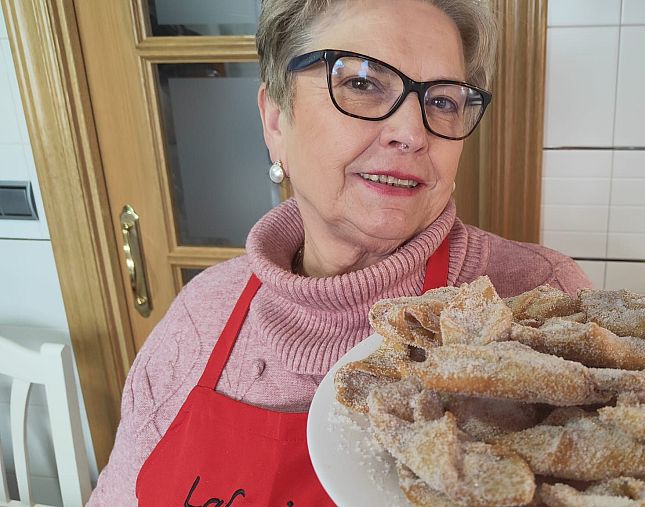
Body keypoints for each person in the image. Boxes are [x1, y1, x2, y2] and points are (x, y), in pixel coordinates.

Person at [87, 0, 590, 504]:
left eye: (442, 101)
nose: (412, 134)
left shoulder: (540, 298)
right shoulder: (201, 315)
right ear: (276, 120)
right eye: (363, 83)